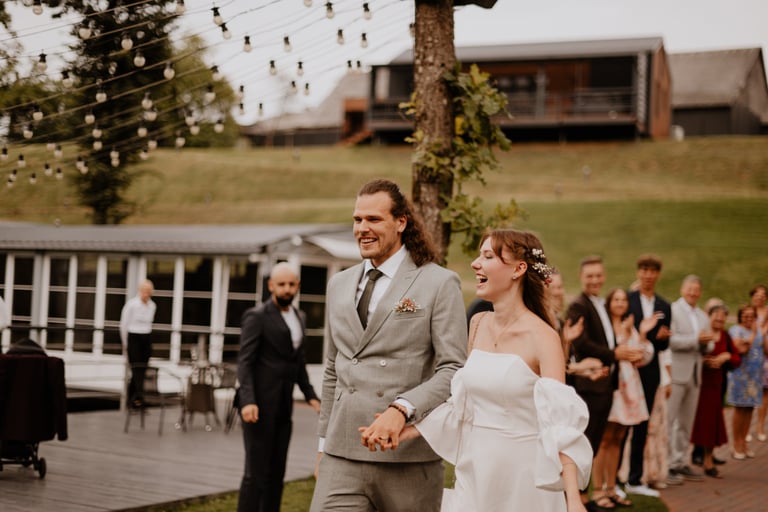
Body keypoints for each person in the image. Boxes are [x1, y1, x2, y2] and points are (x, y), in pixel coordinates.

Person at [396, 229, 591, 511]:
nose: (475, 263)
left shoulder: (544, 337)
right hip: (475, 470)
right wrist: (411, 428)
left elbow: (560, 422)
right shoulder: (478, 323)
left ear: (518, 269)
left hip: (523, 479)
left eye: (487, 256)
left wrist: (572, 498)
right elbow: (462, 406)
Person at [310, 179, 467, 512]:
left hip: (407, 456)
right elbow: (332, 369)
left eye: (374, 219)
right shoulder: (338, 284)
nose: (362, 228)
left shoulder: (439, 282)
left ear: (401, 222)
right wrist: (323, 445)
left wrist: (401, 409)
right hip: (341, 454)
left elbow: (453, 368)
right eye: (357, 219)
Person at [236, 262, 321, 512]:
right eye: (281, 284)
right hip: (258, 406)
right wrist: (248, 400)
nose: (287, 289)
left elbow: (298, 361)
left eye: (291, 284)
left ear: (298, 286)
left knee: (277, 472)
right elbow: (245, 361)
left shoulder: (300, 317)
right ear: (271, 286)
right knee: (255, 472)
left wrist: (311, 396)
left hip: (284, 406)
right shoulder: (257, 316)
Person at [566, 255, 644, 509]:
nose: (595, 280)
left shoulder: (600, 303)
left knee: (596, 442)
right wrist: (614, 354)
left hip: (606, 385)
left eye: (598, 275)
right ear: (581, 277)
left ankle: (592, 493)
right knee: (585, 442)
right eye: (589, 276)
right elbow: (581, 343)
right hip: (589, 385)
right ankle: (581, 497)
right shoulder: (578, 305)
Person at [592, 288, 657, 509]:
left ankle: (612, 488)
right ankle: (598, 488)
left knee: (619, 437)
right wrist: (626, 345)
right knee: (605, 438)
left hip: (630, 386)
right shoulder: (606, 326)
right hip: (613, 385)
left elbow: (643, 356)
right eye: (616, 299)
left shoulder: (630, 325)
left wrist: (642, 334)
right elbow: (608, 351)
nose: (620, 303)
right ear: (609, 302)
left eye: (623, 300)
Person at [624, 255, 671, 497]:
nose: (648, 275)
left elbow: (664, 346)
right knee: (624, 424)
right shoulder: (627, 299)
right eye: (644, 270)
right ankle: (616, 477)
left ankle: (635, 478)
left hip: (651, 372)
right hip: (628, 370)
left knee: (643, 425)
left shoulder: (664, 306)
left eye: (653, 271)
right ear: (638, 272)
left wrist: (662, 339)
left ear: (658, 274)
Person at [666, 275, 712, 483]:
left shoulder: (703, 316)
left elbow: (709, 344)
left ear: (700, 292)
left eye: (696, 289)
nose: (693, 292)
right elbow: (671, 340)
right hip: (676, 373)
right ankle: (666, 464)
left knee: (686, 422)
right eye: (690, 288)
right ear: (682, 289)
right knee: (670, 420)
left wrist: (706, 343)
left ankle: (680, 461)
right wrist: (695, 339)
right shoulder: (673, 310)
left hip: (695, 374)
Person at [690, 304, 741, 477]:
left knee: (711, 424)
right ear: (709, 317)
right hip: (699, 384)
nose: (719, 318)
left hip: (716, 386)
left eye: (722, 316)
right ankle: (692, 456)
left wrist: (725, 357)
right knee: (697, 423)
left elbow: (736, 358)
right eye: (716, 315)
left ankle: (708, 460)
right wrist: (704, 361)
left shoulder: (725, 336)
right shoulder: (703, 334)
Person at [726, 304, 764, 459]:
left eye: (751, 316)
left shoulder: (758, 331)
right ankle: (736, 444)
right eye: (745, 316)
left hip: (755, 377)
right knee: (740, 409)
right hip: (740, 376)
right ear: (740, 317)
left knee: (749, 409)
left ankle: (744, 442)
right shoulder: (735, 330)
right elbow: (742, 349)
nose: (749, 318)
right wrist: (754, 333)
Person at [120, 279, 156, 408]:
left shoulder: (152, 306)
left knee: (142, 369)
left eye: (148, 291)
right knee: (136, 369)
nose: (146, 294)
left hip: (146, 337)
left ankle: (133, 399)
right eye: (144, 291)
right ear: (140, 291)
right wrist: (126, 343)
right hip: (133, 337)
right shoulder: (132, 305)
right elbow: (124, 325)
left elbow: (149, 324)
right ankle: (139, 398)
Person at [748, 285, 768, 443]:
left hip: (766, 357)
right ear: (752, 296)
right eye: (757, 294)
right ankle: (746, 428)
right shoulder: (748, 312)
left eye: (763, 295)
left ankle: (760, 427)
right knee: (750, 392)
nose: (760, 297)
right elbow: (755, 335)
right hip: (751, 357)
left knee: (765, 393)